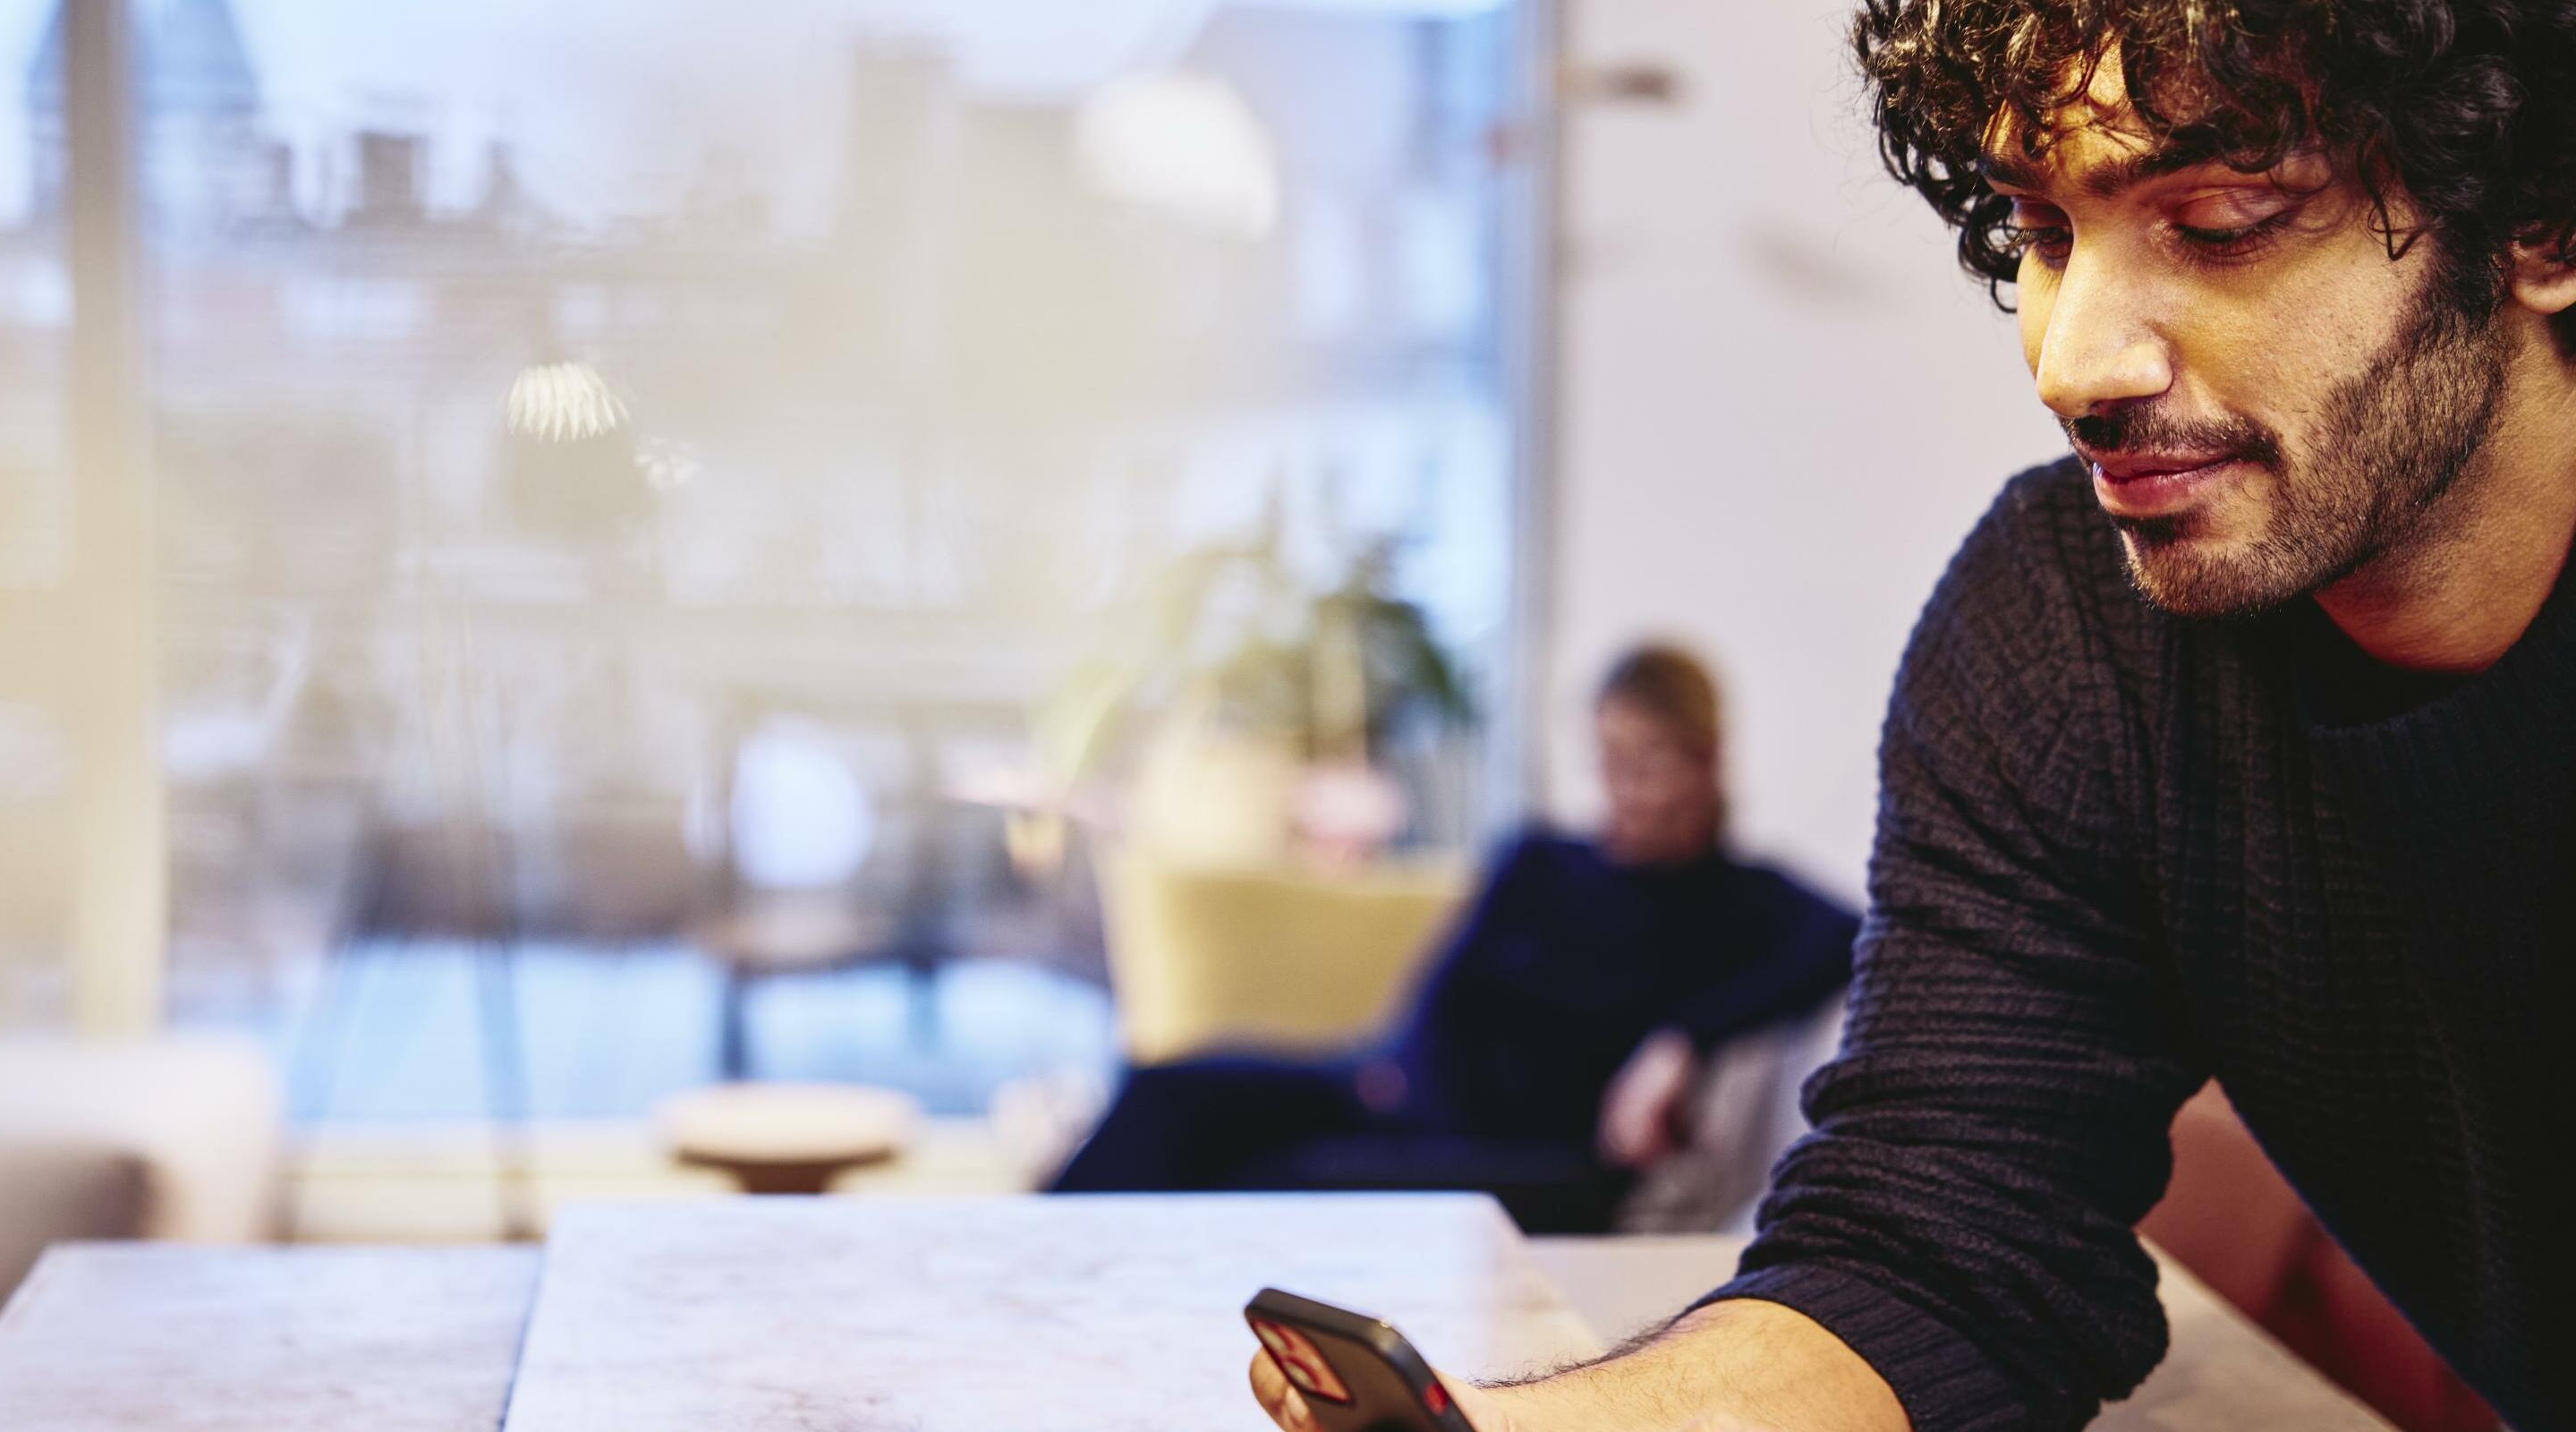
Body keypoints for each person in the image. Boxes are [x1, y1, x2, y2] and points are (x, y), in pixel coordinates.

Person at [1247, 1, 2576, 1428]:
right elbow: (1941, 1255)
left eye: (2225, 221)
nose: (2074, 364)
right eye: (2045, 235)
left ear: (2537, 222)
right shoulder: (2069, 622)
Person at [1055, 643, 1857, 1234]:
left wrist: (1681, 1039)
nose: (1626, 792)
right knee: (1171, 1091)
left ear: (1706, 763)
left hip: (1540, 1165)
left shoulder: (1746, 901)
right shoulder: (1541, 860)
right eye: (1610, 762)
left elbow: (1853, 939)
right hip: (1390, 1095)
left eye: (1648, 763)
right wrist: (1392, 1075)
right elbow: (1444, 991)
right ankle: (1012, 1285)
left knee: (1266, 1187)